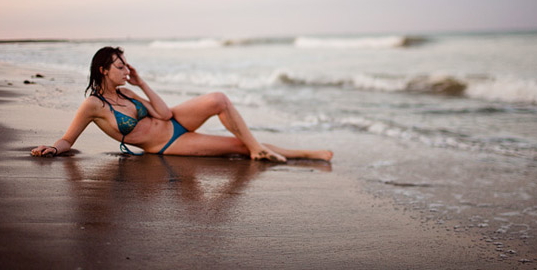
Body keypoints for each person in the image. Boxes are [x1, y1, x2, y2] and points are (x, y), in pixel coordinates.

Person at [31, 46, 333, 162]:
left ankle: (257, 148)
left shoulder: (127, 94)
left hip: (175, 122)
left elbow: (164, 113)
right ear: (103, 70)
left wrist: (141, 83)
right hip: (169, 144)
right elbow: (68, 138)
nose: (126, 70)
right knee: (237, 145)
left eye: (126, 66)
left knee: (219, 99)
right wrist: (53, 148)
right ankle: (305, 154)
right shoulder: (93, 105)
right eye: (120, 67)